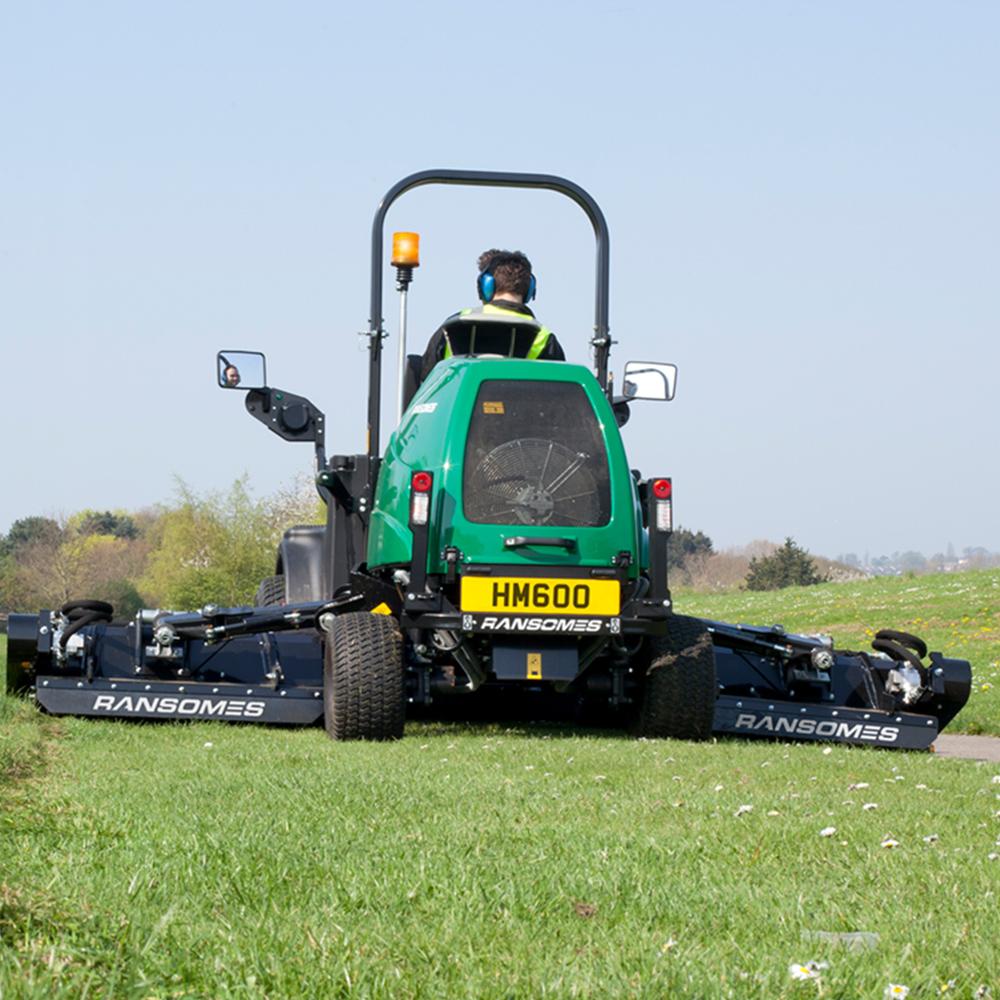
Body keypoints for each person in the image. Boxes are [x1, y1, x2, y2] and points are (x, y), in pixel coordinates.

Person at [419, 249, 565, 381]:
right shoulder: (544, 337)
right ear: (530, 290)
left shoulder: (455, 324)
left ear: (486, 286)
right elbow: (560, 393)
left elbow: (425, 380)